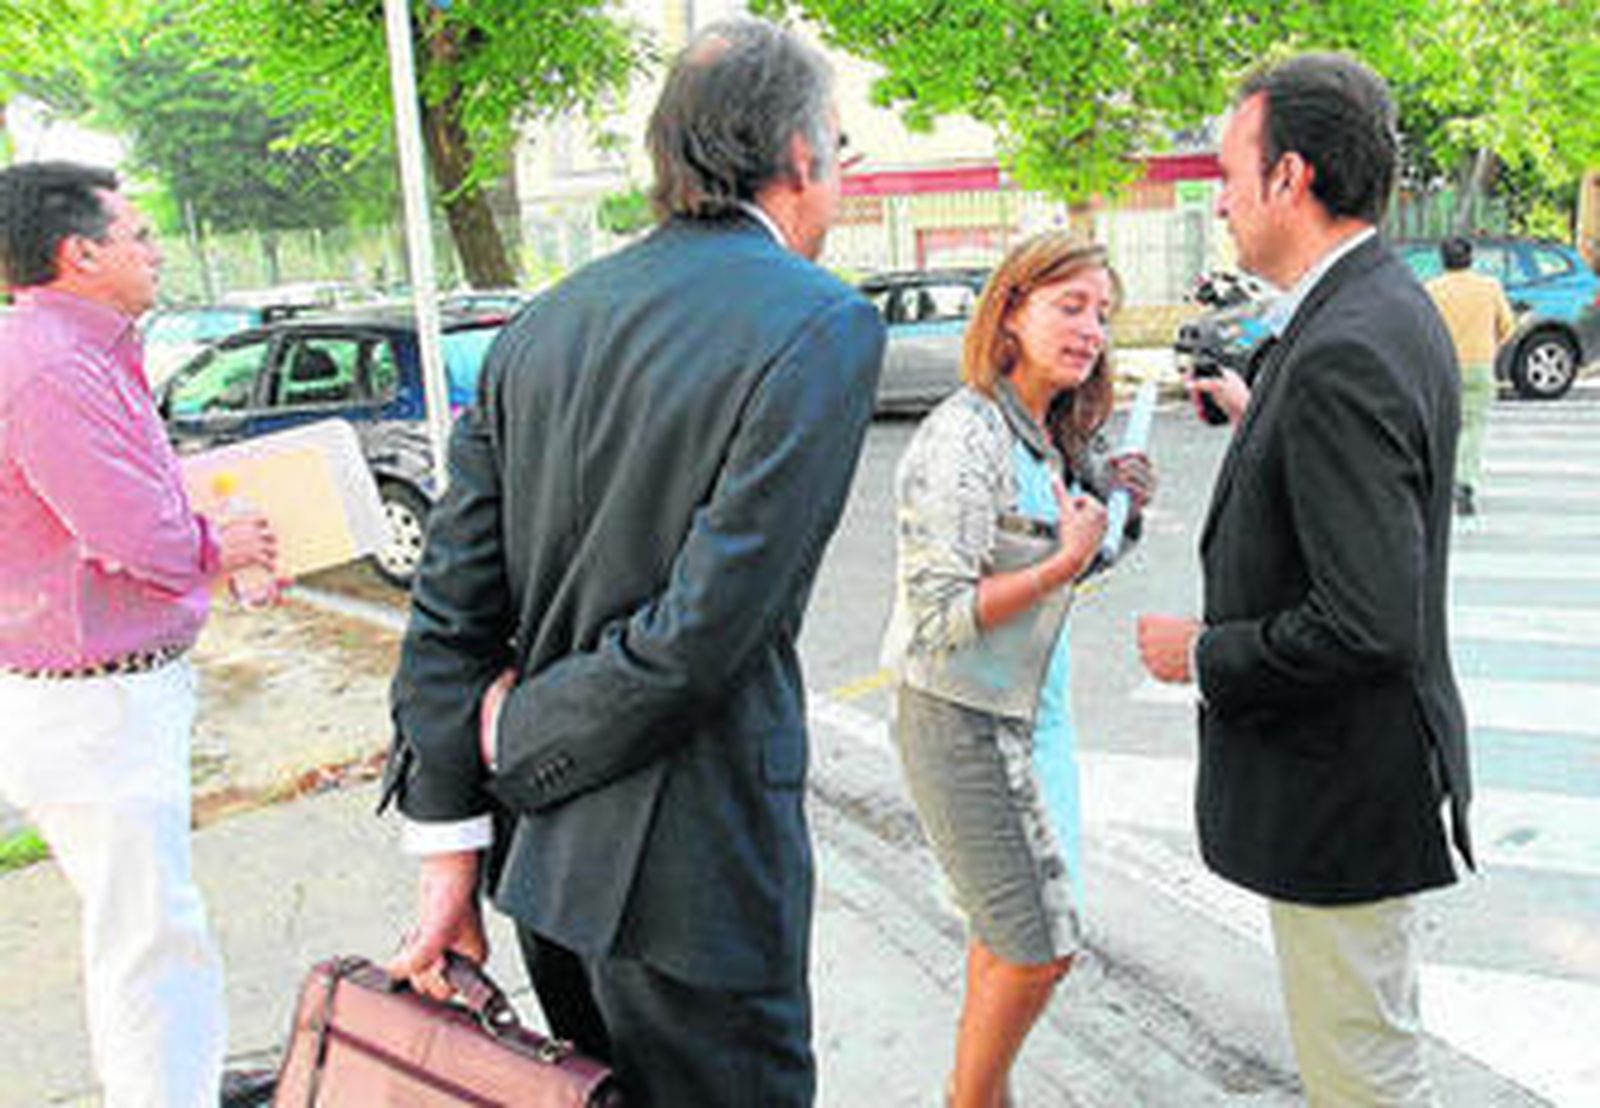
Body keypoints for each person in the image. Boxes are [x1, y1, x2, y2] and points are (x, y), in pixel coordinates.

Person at [381, 19, 885, 1107]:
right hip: (691, 872)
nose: (841, 179)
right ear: (799, 154)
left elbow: (450, 606)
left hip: (546, 868)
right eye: (840, 150)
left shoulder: (540, 324)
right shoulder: (821, 323)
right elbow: (707, 632)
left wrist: (450, 846)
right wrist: (517, 736)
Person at [1136, 55, 1472, 1107]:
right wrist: (1260, 417)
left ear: (1289, 177)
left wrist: (1199, 654)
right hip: (1358, 782)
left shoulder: (1345, 344)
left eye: (1230, 171)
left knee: (1361, 1077)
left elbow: (1365, 621)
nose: (1218, 197)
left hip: (1344, 793)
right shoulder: (1369, 303)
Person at [0, 162, 277, 1107]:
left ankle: (176, 1081)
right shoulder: (47, 368)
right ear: (79, 253)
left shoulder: (76, 351)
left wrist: (218, 555)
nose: (156, 251)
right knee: (148, 936)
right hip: (91, 702)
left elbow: (147, 505)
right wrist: (217, 548)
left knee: (150, 928)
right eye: (140, 234)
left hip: (107, 692)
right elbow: (134, 532)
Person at [882, 233, 1153, 1108]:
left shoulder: (1047, 430)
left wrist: (1119, 511)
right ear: (1010, 310)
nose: (1090, 331)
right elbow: (939, 618)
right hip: (965, 719)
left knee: (1005, 938)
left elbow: (1067, 562)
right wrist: (1059, 563)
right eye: (1069, 306)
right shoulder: (963, 435)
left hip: (1034, 713)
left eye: (1103, 313)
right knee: (1042, 941)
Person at [1425, 235, 1516, 517]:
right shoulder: (1489, 287)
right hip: (1479, 365)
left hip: (1441, 366)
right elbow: (1508, 327)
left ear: (1442, 260)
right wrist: (1491, 348)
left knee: (1442, 428)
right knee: (1472, 427)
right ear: (1471, 258)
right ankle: (1464, 482)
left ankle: (1439, 485)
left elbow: (1421, 328)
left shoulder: (1431, 289)